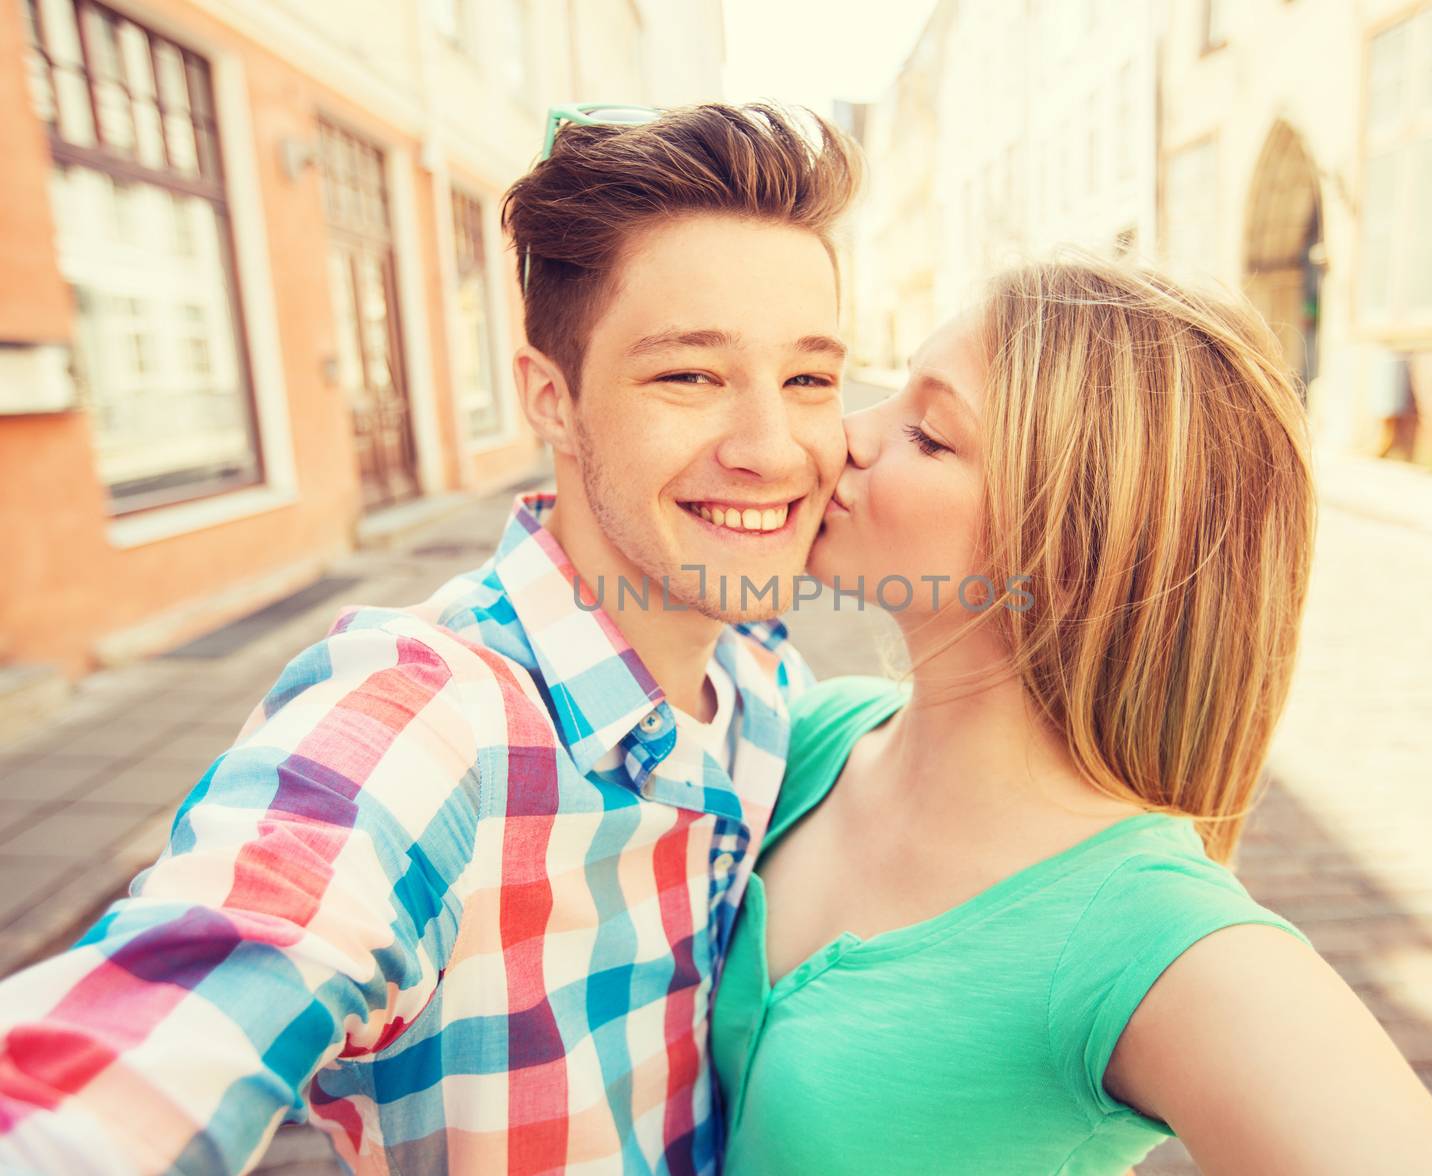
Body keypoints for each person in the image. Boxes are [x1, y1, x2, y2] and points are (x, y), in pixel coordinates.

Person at [0, 102, 860, 1174]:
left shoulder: (768, 681)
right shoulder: (429, 719)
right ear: (552, 398)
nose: (773, 450)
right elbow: (174, 1006)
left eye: (810, 379)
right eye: (688, 374)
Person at [710, 258, 1432, 1174]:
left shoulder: (1153, 938)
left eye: (928, 434)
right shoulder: (815, 734)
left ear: (1074, 551)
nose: (845, 436)